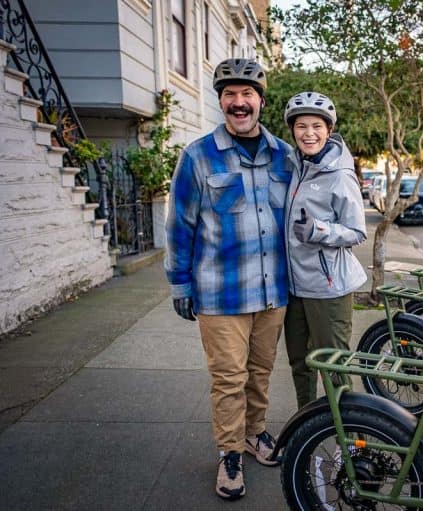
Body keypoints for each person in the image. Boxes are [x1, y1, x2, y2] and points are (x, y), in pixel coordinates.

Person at [164, 58, 293, 501]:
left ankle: (255, 433)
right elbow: (179, 225)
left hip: (273, 290)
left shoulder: (284, 155)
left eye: (247, 94)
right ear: (221, 101)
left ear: (260, 100)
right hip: (221, 293)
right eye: (230, 95)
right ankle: (230, 452)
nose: (239, 103)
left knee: (261, 372)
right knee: (228, 379)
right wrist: (180, 283)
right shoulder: (198, 156)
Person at [282, 92, 367, 409]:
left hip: (328, 288)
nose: (309, 133)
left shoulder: (340, 175)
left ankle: (352, 442)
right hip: (294, 288)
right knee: (300, 364)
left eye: (317, 126)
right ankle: (307, 426)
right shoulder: (294, 167)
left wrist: (319, 230)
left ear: (329, 130)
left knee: (335, 367)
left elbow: (357, 231)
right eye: (301, 125)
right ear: (292, 130)